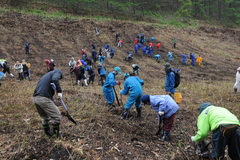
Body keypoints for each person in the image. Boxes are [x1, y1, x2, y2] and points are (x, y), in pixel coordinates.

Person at [33, 69, 63, 138]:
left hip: (36, 98)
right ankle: (56, 136)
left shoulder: (45, 77)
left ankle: (48, 134)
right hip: (43, 98)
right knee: (57, 117)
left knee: (45, 117)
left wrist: (54, 103)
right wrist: (59, 91)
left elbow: (45, 91)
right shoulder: (57, 72)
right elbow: (55, 79)